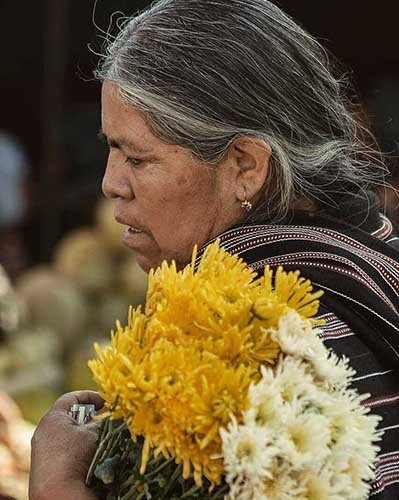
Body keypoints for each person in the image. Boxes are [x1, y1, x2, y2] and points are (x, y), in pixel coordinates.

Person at [29, 0, 399, 498]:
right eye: (110, 148)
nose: (110, 183)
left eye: (137, 157)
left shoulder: (239, 345)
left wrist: (56, 480)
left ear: (245, 165)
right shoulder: (369, 250)